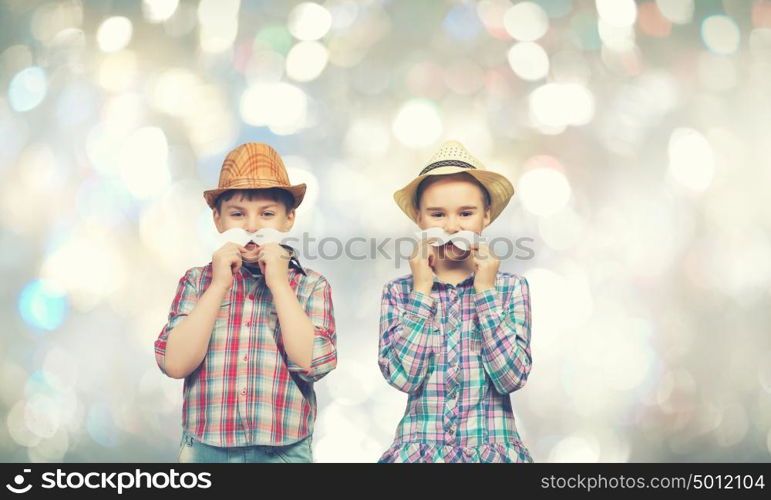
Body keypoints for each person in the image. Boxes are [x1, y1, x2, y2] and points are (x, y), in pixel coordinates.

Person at [154, 142, 337, 463]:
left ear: (288, 219)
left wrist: (279, 284)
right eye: (238, 214)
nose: (252, 226)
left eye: (267, 214)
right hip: (206, 448)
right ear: (218, 220)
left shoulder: (310, 286)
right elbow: (175, 364)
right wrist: (218, 286)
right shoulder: (197, 282)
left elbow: (315, 364)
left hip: (284, 450)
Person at [378, 140, 533, 463]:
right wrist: (422, 291)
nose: (451, 226)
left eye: (466, 213)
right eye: (437, 214)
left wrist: (485, 293)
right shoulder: (398, 293)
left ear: (486, 216)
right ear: (419, 218)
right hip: (420, 454)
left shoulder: (510, 290)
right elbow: (403, 377)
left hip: (491, 452)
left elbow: (512, 378)